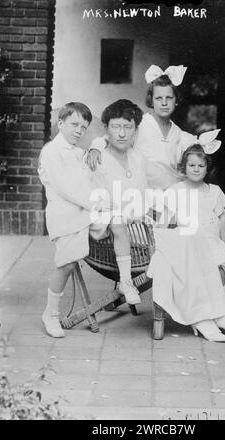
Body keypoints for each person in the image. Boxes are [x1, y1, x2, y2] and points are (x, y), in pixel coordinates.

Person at [38, 102, 141, 338]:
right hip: (66, 214)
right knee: (66, 264)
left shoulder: (78, 151)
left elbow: (91, 180)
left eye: (84, 128)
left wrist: (103, 199)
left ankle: (126, 281)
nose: (79, 131)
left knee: (118, 220)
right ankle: (51, 313)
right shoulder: (52, 152)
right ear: (60, 123)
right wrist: (97, 202)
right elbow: (68, 189)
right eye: (74, 124)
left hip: (86, 210)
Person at [148, 139, 225, 341]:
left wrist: (224, 245)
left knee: (215, 260)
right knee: (191, 244)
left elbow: (222, 218)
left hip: (209, 242)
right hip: (184, 242)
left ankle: (222, 317)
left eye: (201, 166)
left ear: (207, 169)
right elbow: (163, 222)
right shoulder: (176, 191)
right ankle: (203, 319)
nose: (196, 169)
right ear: (184, 168)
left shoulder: (213, 191)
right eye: (191, 165)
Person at [86, 65, 197, 190]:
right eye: (158, 98)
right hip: (141, 188)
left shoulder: (179, 134)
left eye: (169, 98)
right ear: (151, 100)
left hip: (169, 190)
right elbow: (108, 138)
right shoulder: (140, 124)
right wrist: (95, 148)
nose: (164, 103)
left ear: (176, 100)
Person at [89, 99, 149, 306]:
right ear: (106, 129)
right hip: (106, 226)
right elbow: (98, 202)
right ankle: (125, 281)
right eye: (116, 127)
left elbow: (142, 195)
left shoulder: (138, 157)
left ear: (135, 130)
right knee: (117, 218)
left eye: (128, 127)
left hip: (134, 224)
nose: (122, 133)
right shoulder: (98, 158)